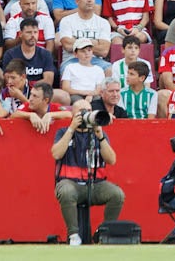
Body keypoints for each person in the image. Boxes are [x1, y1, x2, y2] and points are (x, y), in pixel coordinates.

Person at [52, 99, 124, 246]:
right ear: (73, 114)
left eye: (88, 112)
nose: (85, 115)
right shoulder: (63, 132)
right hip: (70, 182)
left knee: (117, 194)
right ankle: (73, 234)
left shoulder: (98, 133)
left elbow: (112, 160)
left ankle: (104, 232)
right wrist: (71, 129)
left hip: (95, 184)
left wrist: (100, 136)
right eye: (81, 112)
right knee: (66, 191)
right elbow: (56, 154)